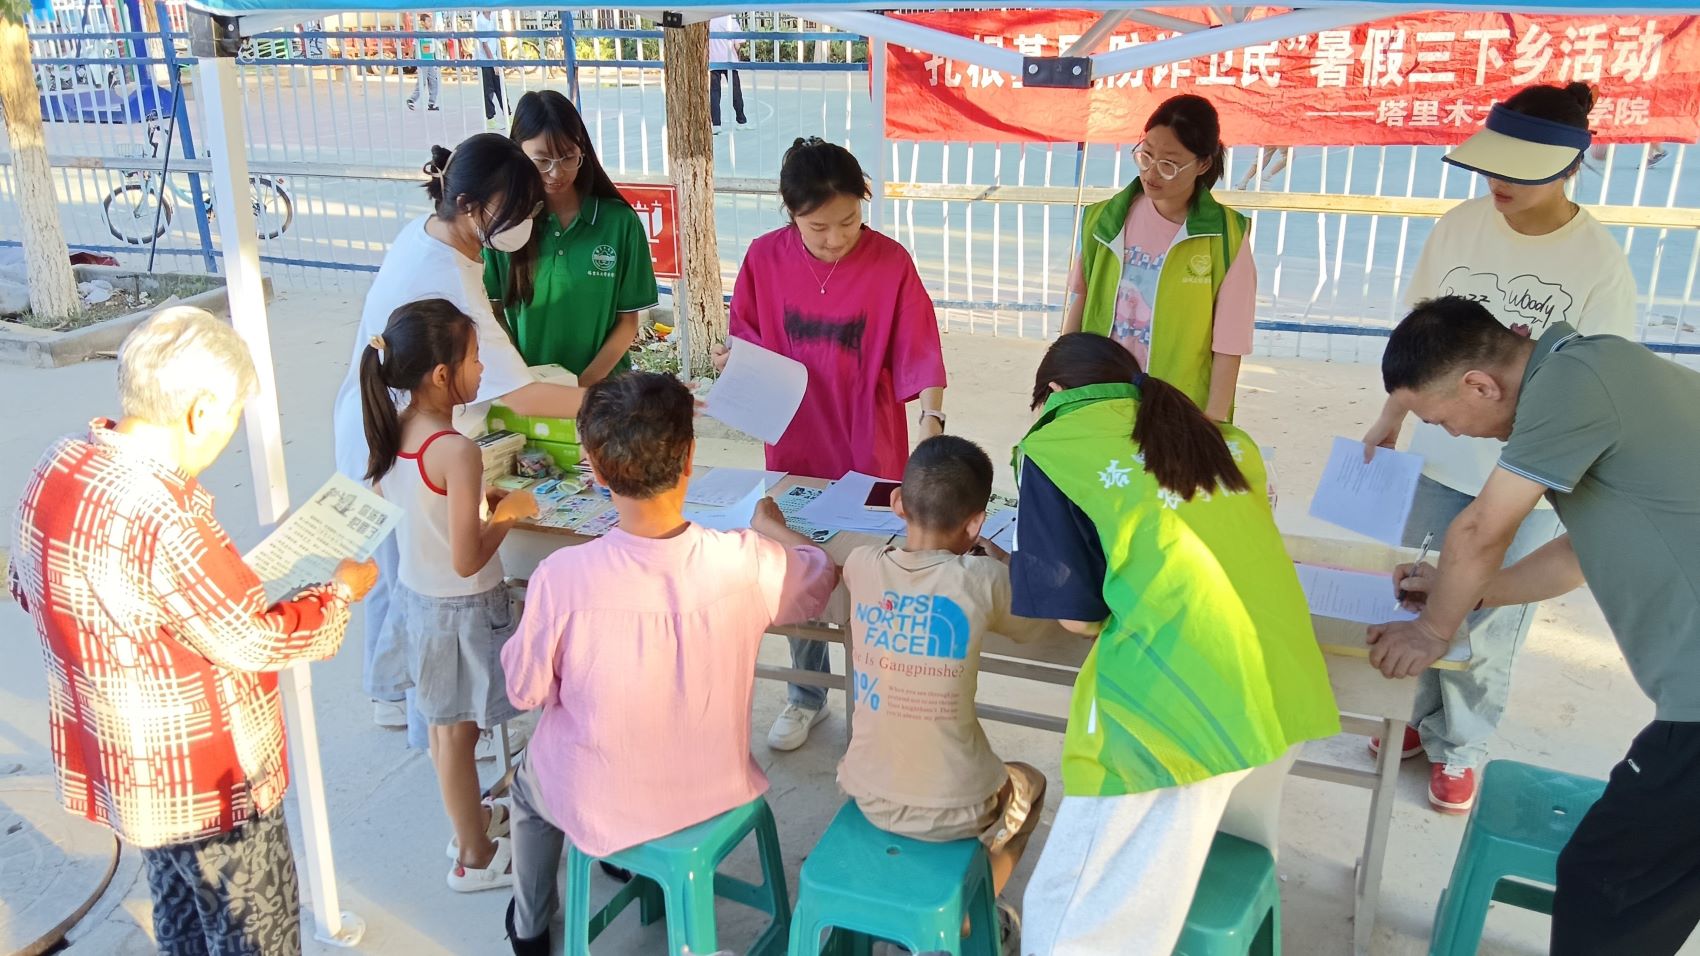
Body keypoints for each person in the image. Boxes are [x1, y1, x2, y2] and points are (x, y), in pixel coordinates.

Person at [8, 307, 379, 956]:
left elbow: (27, 584)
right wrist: (337, 595)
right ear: (201, 411)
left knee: (182, 926)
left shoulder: (57, 465)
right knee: (252, 939)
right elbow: (252, 641)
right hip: (212, 785)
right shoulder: (164, 514)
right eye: (232, 418)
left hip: (131, 771)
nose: (228, 435)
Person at [1366, 296, 1700, 956]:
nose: (1453, 435)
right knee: (1657, 879)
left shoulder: (1572, 387)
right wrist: (1473, 593)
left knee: (1605, 879)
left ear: (1480, 385)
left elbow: (1482, 527)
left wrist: (1434, 631)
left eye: (1442, 420)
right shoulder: (1595, 371)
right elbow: (1577, 554)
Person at [1009, 333, 1339, 954]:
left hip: (1176, 718)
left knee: (1069, 917)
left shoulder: (1053, 445)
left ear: (1052, 393)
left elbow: (1078, 619)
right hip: (1280, 700)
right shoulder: (1223, 438)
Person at [1359, 82, 1637, 815]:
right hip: (1442, 456)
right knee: (1421, 589)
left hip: (1531, 473)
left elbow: (1605, 384)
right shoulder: (1458, 227)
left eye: (1520, 167)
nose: (1500, 182)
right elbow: (1419, 332)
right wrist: (1395, 412)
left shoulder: (1599, 262)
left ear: (1571, 166)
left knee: (1487, 616)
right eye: (1493, 165)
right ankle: (1414, 724)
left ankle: (1463, 745)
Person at [499, 372, 837, 955]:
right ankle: (623, 868)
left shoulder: (562, 578)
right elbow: (817, 575)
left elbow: (523, 691)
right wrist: (771, 526)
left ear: (596, 472)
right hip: (715, 784)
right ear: (689, 460)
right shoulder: (744, 561)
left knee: (527, 787)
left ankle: (530, 929)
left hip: (598, 794)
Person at [331, 133, 582, 736]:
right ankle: (420, 706)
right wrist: (616, 400)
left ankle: (400, 697)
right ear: (472, 207)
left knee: (405, 581)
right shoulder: (447, 277)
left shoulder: (431, 233)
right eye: (517, 208)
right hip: (402, 445)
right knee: (418, 591)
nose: (526, 219)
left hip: (390, 435)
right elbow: (521, 394)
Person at [712, 136, 947, 753]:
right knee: (798, 560)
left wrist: (932, 420)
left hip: (869, 436)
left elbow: (920, 345)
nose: (837, 238)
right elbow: (746, 340)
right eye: (819, 227)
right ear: (790, 213)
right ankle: (805, 694)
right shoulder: (764, 259)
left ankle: (878, 698)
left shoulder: (891, 262)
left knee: (874, 566)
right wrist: (732, 361)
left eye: (848, 221)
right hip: (794, 434)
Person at [838, 435, 1052, 950]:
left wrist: (767, 522)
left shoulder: (863, 565)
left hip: (866, 790)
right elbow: (1035, 622)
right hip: (958, 805)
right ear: (975, 523)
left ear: (896, 504)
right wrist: (998, 557)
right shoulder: (982, 579)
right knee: (1033, 783)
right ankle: (968, 913)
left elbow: (821, 553)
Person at [359, 299, 539, 892]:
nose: (482, 368)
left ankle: (470, 823)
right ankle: (476, 852)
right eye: (475, 357)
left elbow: (427, 519)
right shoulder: (456, 451)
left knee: (444, 734)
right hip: (460, 610)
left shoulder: (396, 429)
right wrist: (507, 512)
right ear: (442, 374)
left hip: (418, 599)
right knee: (461, 737)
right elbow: (468, 558)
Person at [1063, 94, 1255, 423]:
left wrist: (1216, 417)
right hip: (1098, 393)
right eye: (1146, 155)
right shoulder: (1104, 220)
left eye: (1169, 164)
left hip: (1178, 407)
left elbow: (1229, 340)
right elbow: (1081, 301)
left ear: (1203, 164)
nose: (1152, 173)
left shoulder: (1227, 237)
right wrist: (1061, 375)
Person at [485, 90, 659, 385]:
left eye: (568, 157)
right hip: (528, 391)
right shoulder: (504, 227)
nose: (557, 172)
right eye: (541, 161)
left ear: (583, 151)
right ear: (518, 155)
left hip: (603, 395)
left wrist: (581, 389)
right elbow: (493, 315)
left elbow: (627, 322)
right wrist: (523, 379)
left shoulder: (619, 223)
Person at [709, 14, 748, 131]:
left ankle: (716, 125)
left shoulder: (708, 19)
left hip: (713, 60)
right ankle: (741, 121)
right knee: (735, 91)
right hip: (729, 60)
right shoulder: (730, 19)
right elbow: (738, 43)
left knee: (715, 93)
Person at [473, 11, 507, 131]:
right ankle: (491, 119)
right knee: (488, 90)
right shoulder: (480, 21)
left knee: (500, 87)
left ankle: (508, 114)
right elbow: (485, 45)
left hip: (494, 58)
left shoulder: (492, 16)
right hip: (485, 60)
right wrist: (493, 63)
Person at [407, 13, 441, 112]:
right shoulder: (419, 34)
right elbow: (413, 46)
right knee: (421, 83)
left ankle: (432, 103)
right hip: (423, 61)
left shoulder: (431, 33)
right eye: (428, 21)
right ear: (422, 22)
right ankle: (411, 100)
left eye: (431, 21)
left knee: (434, 82)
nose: (430, 23)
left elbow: (434, 48)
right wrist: (409, 58)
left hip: (431, 61)